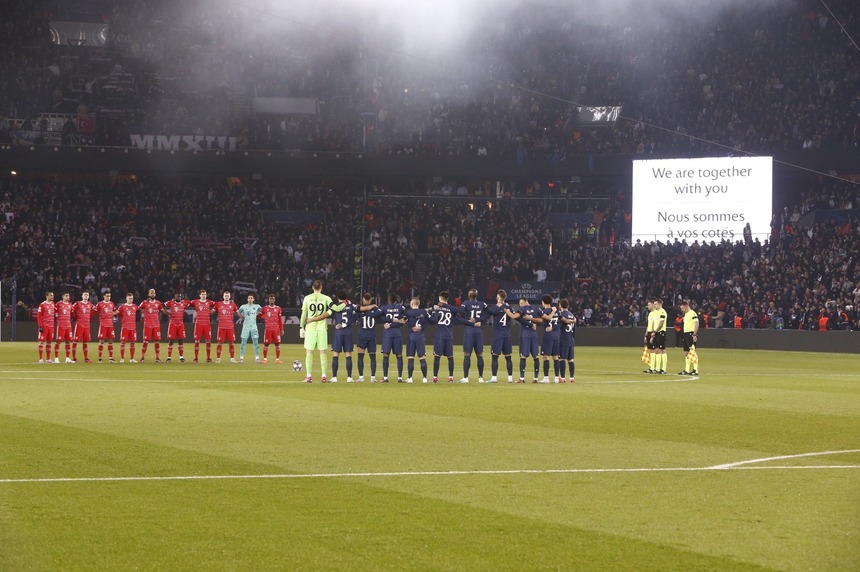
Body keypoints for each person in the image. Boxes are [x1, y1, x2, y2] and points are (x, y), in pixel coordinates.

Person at [300, 279, 335, 382]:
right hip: (322, 327)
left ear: (312, 288)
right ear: (321, 287)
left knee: (309, 352)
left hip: (310, 327)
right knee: (322, 352)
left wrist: (302, 327)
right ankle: (324, 376)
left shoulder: (307, 298)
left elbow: (304, 314)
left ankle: (308, 376)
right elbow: (332, 309)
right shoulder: (326, 298)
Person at [485, 289, 518, 383]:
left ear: (498, 297)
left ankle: (494, 378)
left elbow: (490, 312)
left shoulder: (495, 308)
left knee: (495, 356)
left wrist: (485, 306)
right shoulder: (509, 308)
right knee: (508, 357)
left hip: (498, 335)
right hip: (507, 335)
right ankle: (510, 378)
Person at [428, 290, 458, 383]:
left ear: (440, 299)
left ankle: (435, 378)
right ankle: (451, 378)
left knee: (437, 356)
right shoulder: (451, 309)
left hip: (439, 335)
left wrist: (430, 313)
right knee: (450, 357)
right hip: (449, 334)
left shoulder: (438, 308)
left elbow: (434, 320)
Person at [457, 288, 486, 383]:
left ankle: (466, 378)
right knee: (480, 355)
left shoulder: (465, 303)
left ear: (469, 295)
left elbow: (459, 312)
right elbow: (488, 314)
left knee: (467, 354)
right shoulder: (482, 304)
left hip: (469, 331)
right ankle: (481, 378)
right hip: (478, 331)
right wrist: (480, 320)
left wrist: (469, 321)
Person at [330, 291, 358, 382]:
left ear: (338, 298)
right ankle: (349, 377)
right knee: (348, 354)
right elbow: (355, 317)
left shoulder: (336, 307)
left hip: (338, 332)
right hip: (348, 332)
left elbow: (329, 313)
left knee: (335, 354)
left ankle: (334, 377)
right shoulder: (351, 306)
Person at [355, 293, 383, 382]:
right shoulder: (375, 309)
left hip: (363, 335)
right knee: (372, 357)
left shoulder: (359, 309)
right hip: (371, 336)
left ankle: (361, 377)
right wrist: (373, 306)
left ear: (363, 299)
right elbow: (380, 313)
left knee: (361, 357)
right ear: (370, 300)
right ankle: (372, 378)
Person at [514, 297, 543, 383]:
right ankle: (535, 378)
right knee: (536, 356)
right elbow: (541, 320)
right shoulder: (537, 308)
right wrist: (532, 322)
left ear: (526, 301)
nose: (520, 305)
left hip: (525, 335)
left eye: (521, 303)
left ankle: (522, 378)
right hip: (534, 334)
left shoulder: (522, 309)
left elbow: (516, 317)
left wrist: (528, 322)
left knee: (523, 356)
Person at [379, 292, 406, 383]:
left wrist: (388, 324)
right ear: (396, 300)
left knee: (386, 354)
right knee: (399, 355)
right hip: (397, 333)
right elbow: (404, 319)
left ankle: (385, 377)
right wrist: (398, 324)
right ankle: (400, 378)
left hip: (388, 333)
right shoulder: (400, 307)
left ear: (388, 299)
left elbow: (379, 317)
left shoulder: (384, 307)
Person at [404, 296, 430, 383]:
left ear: (412, 304)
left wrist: (412, 327)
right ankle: (425, 378)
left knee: (411, 357)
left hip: (412, 336)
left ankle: (410, 378)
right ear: (418, 304)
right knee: (422, 357)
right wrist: (421, 327)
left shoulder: (408, 312)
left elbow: (405, 321)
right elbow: (429, 321)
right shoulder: (423, 312)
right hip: (420, 336)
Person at [189, 289, 215, 362]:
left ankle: (208, 358)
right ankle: (196, 358)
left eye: (205, 294)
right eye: (202, 294)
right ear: (200, 295)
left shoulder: (209, 302)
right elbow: (186, 303)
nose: (204, 296)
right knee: (197, 341)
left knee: (208, 341)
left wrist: (212, 311)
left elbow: (218, 304)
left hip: (207, 324)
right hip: (199, 324)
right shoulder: (195, 302)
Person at [539, 294, 560, 383]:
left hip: (548, 335)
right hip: (556, 335)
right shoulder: (557, 311)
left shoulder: (545, 311)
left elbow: (542, 320)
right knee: (555, 356)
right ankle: (556, 378)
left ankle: (546, 378)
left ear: (543, 302)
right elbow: (560, 323)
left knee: (546, 355)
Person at [163, 292, 189, 362]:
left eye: (180, 296)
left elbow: (191, 303)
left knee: (181, 340)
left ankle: (181, 357)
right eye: (178, 296)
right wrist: (167, 313)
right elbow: (162, 306)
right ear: (175, 297)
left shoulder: (184, 303)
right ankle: (169, 357)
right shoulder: (171, 303)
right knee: (171, 340)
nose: (179, 297)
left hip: (180, 324)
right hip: (173, 324)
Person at [139, 288, 163, 362]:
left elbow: (162, 310)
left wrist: (169, 314)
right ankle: (142, 357)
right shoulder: (144, 302)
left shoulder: (158, 303)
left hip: (156, 325)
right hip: (148, 325)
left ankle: (157, 358)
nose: (153, 294)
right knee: (145, 341)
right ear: (148, 294)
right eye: (151, 293)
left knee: (157, 341)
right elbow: (138, 309)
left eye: (154, 293)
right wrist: (142, 311)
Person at [214, 290, 239, 363]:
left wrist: (244, 317)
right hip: (221, 327)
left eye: (228, 295)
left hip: (230, 327)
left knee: (231, 343)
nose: (227, 297)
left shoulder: (233, 305)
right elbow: (212, 311)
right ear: (223, 296)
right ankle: (218, 358)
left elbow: (238, 313)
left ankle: (232, 358)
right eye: (225, 295)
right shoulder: (218, 304)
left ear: (230, 296)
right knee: (220, 343)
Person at [237, 294, 263, 363]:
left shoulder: (257, 306)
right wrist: (241, 317)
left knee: (256, 342)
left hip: (254, 326)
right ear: (247, 299)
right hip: (246, 326)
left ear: (253, 299)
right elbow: (238, 312)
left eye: (251, 298)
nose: (250, 299)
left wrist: (257, 315)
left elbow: (261, 311)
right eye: (249, 298)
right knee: (243, 342)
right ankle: (241, 358)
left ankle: (257, 358)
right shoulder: (243, 306)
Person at [678, 299, 700, 376]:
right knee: (686, 352)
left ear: (686, 306)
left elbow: (697, 323)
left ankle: (695, 369)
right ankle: (687, 370)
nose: (682, 310)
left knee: (692, 351)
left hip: (690, 334)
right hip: (685, 334)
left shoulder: (692, 313)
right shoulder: (686, 314)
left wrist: (694, 334)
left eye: (683, 308)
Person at [94, 290, 117, 363]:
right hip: (103, 325)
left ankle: (111, 358)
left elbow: (115, 311)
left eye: (109, 296)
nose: (108, 297)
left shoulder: (112, 304)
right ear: (104, 296)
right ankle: (100, 358)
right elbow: (95, 311)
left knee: (110, 341)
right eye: (107, 296)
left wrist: (112, 314)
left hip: (110, 325)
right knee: (101, 341)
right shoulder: (100, 304)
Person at [72, 290, 94, 363]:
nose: (86, 296)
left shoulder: (90, 304)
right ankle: (74, 358)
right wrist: (75, 316)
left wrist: (90, 316)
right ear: (82, 296)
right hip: (79, 325)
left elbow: (94, 310)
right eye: (84, 295)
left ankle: (86, 358)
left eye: (87, 295)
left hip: (87, 325)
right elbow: (71, 309)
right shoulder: (78, 303)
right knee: (75, 341)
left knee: (85, 342)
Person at [558, 298, 577, 383]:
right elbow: (574, 330)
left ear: (560, 306)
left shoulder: (561, 315)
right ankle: (572, 377)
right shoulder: (572, 315)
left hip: (563, 339)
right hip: (570, 340)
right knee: (571, 359)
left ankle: (562, 377)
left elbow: (559, 327)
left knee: (561, 359)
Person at [262, 294, 284, 364]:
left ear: (274, 300)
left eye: (273, 299)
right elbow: (260, 315)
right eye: (270, 299)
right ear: (268, 300)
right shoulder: (265, 308)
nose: (272, 300)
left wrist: (282, 329)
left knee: (277, 344)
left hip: (276, 329)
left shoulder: (278, 308)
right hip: (268, 329)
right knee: (266, 344)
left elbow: (280, 320)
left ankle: (277, 359)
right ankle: (265, 359)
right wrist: (264, 319)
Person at [118, 292, 140, 363]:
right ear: (126, 298)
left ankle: (132, 358)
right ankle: (122, 358)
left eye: (132, 298)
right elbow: (118, 313)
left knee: (133, 343)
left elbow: (140, 310)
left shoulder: (135, 306)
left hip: (133, 328)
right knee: (123, 343)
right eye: (129, 298)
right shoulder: (122, 306)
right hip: (125, 327)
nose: (131, 299)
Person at [54, 291, 75, 363]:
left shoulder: (70, 305)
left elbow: (72, 314)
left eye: (68, 296)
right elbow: (55, 314)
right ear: (62, 296)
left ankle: (67, 358)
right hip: (61, 326)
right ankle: (56, 358)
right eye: (66, 296)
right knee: (58, 341)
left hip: (68, 326)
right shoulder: (58, 304)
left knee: (68, 342)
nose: (68, 297)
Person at [37, 291, 56, 364]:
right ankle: (41, 359)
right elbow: (39, 316)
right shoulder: (42, 305)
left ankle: (48, 359)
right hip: (44, 326)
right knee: (41, 342)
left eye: (53, 295)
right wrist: (40, 326)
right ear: (47, 296)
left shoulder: (53, 304)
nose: (52, 296)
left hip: (51, 326)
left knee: (49, 343)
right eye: (51, 295)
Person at [651, 298, 668, 375]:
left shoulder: (662, 312)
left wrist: (655, 331)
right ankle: (657, 368)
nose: (654, 306)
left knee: (662, 350)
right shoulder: (655, 313)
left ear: (660, 304)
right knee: (657, 350)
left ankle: (663, 369)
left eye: (656, 304)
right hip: (656, 332)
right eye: (654, 304)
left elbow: (661, 323)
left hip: (660, 332)